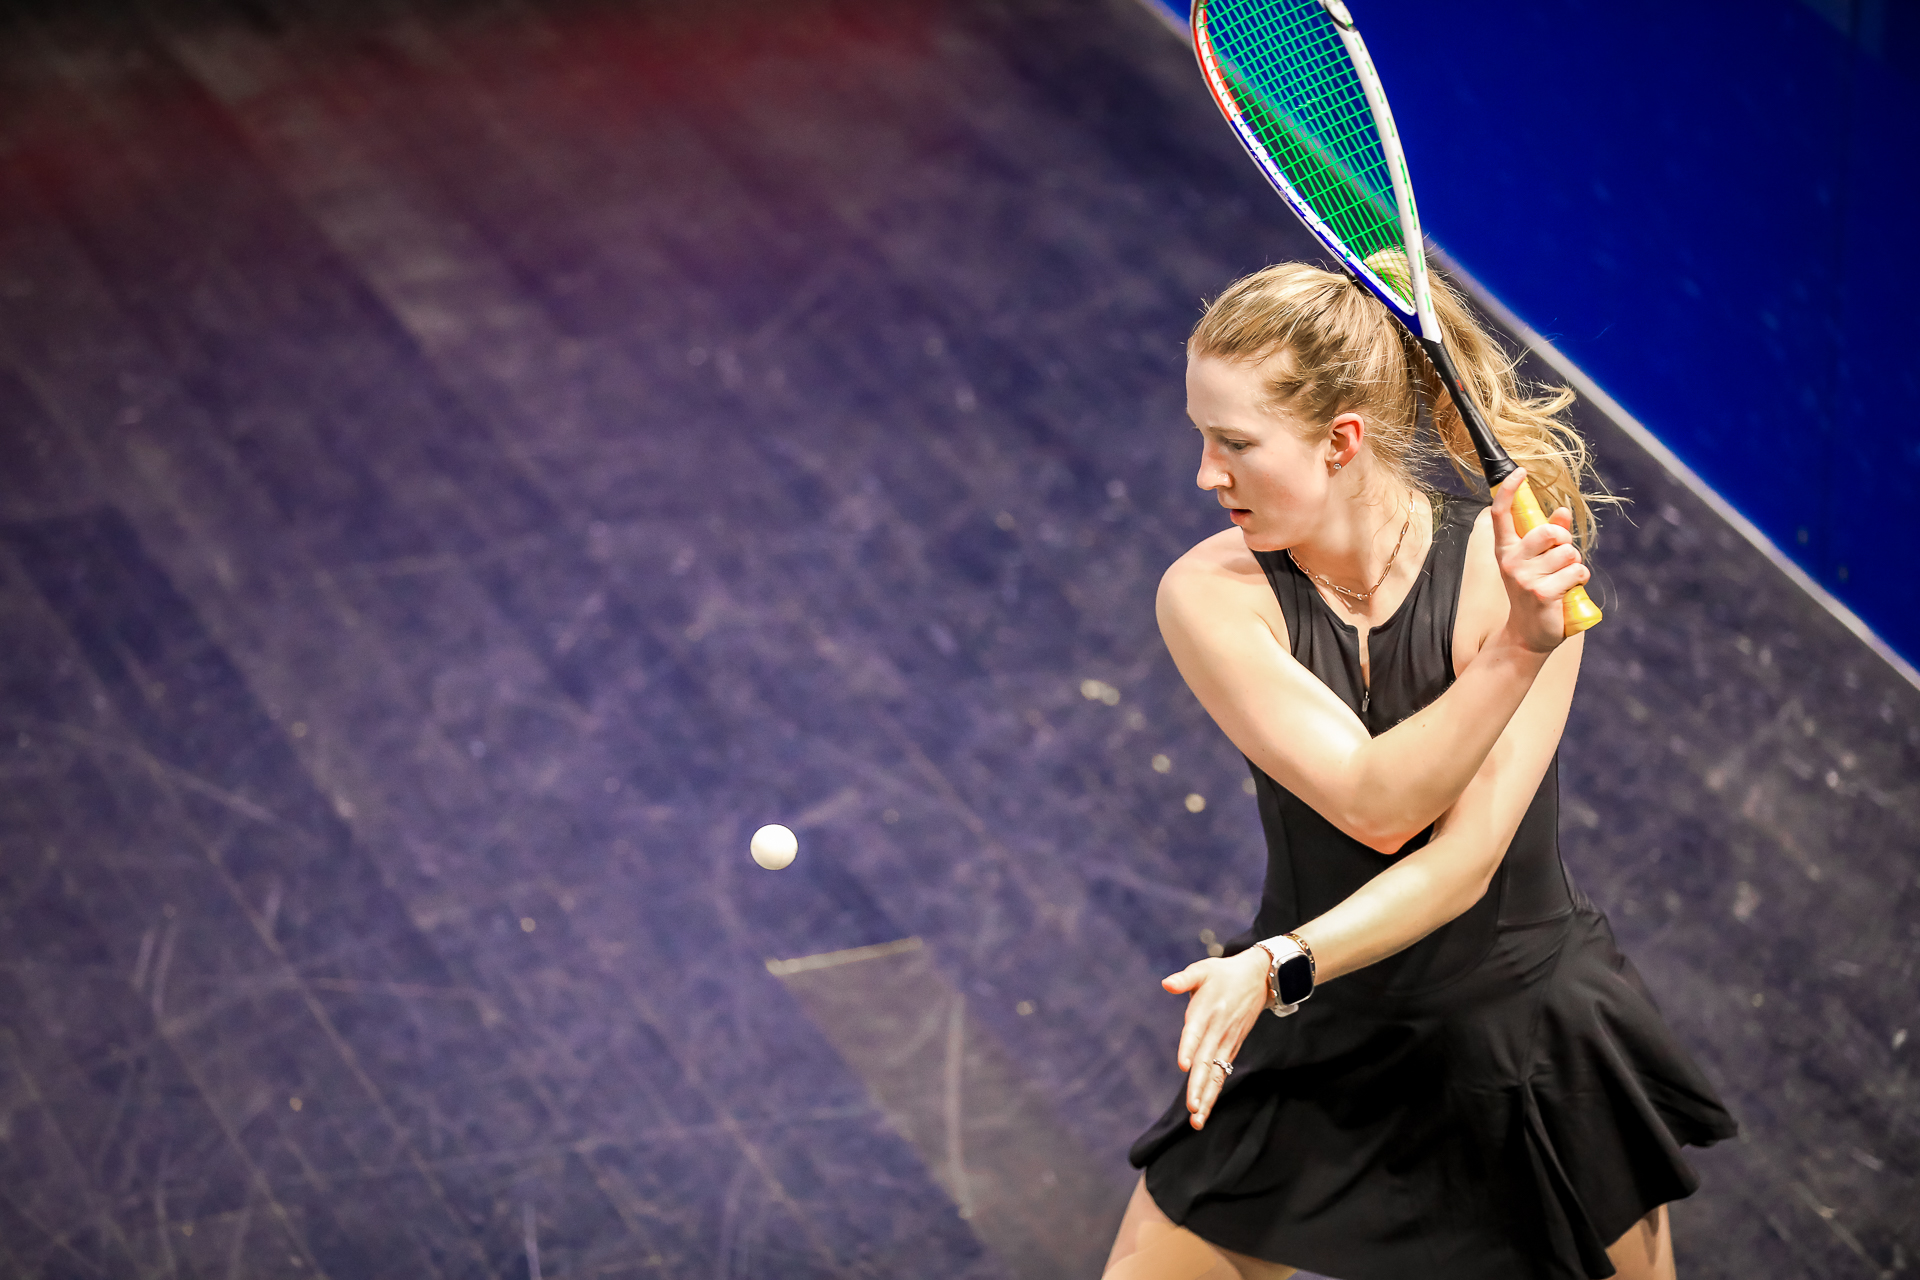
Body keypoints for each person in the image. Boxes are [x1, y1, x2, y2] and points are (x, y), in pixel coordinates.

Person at [1102, 259, 1737, 1280]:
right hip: (1325, 1024)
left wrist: (1527, 635)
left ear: (1341, 440)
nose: (1204, 474)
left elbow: (1464, 860)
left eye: (1234, 443)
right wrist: (1513, 653)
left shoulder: (1513, 567)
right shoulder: (1212, 594)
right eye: (1201, 435)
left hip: (1524, 1042)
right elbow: (1375, 801)